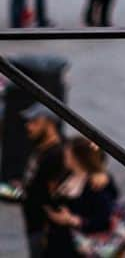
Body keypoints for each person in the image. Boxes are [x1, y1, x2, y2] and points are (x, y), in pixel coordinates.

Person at [42, 136, 125, 258]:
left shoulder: (95, 185)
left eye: (68, 153)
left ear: (77, 158)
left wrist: (72, 220)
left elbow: (103, 221)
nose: (64, 156)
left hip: (82, 249)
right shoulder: (66, 177)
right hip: (58, 245)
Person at [13, 105, 65, 257]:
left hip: (45, 231)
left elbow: (56, 195)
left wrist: (50, 231)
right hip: (34, 226)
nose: (28, 126)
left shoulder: (57, 155)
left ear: (49, 123)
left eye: (34, 122)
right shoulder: (40, 149)